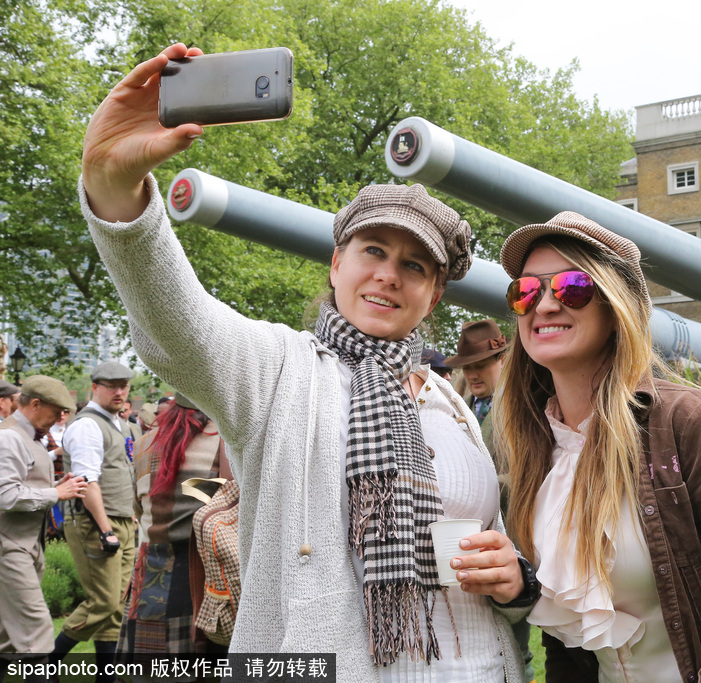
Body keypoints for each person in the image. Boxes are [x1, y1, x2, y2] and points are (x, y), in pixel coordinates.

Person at [77, 43, 529, 681]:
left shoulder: (447, 401)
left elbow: (493, 552)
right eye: (372, 249)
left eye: (415, 265)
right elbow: (175, 320)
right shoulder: (281, 370)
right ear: (337, 262)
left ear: (435, 293)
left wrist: (514, 582)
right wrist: (114, 184)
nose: (388, 275)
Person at [497, 212, 701, 682]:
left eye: (572, 287)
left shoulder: (688, 421)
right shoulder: (536, 449)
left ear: (615, 305)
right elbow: (569, 640)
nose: (544, 305)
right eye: (525, 291)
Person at [445, 319, 534, 681]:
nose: (473, 373)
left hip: (511, 542)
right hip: (464, 546)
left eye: (480, 364)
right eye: (468, 366)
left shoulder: (521, 409)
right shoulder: (460, 407)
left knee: (516, 645)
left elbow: (531, 477)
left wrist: (475, 487)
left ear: (501, 360)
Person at [117, 391, 228, 654]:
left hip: (150, 579)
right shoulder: (223, 441)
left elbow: (138, 505)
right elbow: (231, 509)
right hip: (204, 581)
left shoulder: (145, 442)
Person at [53, 361, 139, 677]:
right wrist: (106, 531)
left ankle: (107, 673)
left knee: (116, 606)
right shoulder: (88, 425)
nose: (119, 391)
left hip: (123, 521)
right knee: (103, 602)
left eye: (124, 385)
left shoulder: (120, 424)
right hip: (96, 523)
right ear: (96, 387)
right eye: (112, 385)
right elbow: (88, 482)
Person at [0, 376, 86, 667]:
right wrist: (57, 492)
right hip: (9, 548)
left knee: (9, 641)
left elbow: (23, 483)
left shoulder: (26, 436)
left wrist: (60, 483)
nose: (60, 418)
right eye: (57, 411)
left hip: (26, 547)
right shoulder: (9, 437)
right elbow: (6, 495)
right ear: (35, 404)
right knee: (36, 633)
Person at [445, 319, 506, 458]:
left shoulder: (524, 407)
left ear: (502, 360)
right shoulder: (453, 409)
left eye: (481, 366)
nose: (472, 376)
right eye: (466, 368)